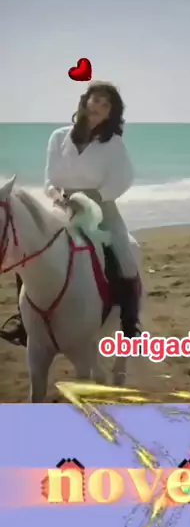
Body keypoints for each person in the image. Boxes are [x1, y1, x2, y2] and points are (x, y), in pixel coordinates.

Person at [0, 82, 140, 346]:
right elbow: (49, 180)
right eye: (95, 100)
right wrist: (58, 197)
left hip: (100, 206)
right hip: (62, 205)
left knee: (126, 257)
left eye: (106, 105)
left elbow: (124, 179)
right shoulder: (58, 137)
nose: (99, 107)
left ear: (111, 113)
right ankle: (24, 322)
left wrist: (94, 198)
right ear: (85, 102)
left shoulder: (114, 144)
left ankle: (130, 323)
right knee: (28, 252)